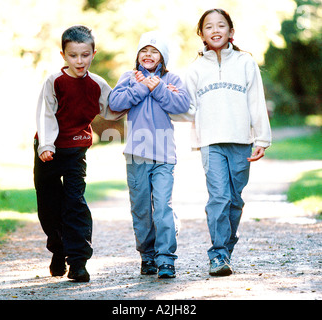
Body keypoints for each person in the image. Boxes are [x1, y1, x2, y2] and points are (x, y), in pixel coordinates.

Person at [34, 25, 125, 282]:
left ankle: (78, 262)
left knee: (75, 202)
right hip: (47, 151)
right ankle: (58, 249)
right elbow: (45, 115)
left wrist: (137, 95)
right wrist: (47, 145)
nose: (80, 61)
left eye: (85, 55)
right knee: (49, 207)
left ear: (93, 53)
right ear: (63, 55)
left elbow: (113, 108)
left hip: (76, 148)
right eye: (73, 55)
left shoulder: (97, 84)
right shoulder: (54, 81)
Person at [184, 9, 272, 276]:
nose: (215, 30)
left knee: (234, 199)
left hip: (241, 140)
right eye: (208, 26)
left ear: (231, 32)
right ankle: (218, 254)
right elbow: (187, 107)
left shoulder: (246, 62)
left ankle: (226, 250)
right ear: (201, 34)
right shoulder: (195, 68)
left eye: (221, 25)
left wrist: (262, 138)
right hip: (211, 142)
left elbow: (256, 101)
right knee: (219, 197)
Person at [109, 31, 190, 278]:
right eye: (144, 50)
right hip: (136, 155)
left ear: (163, 57)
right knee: (141, 208)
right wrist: (141, 87)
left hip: (164, 155)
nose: (148, 54)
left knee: (163, 208)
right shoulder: (129, 77)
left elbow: (181, 105)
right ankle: (147, 256)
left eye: (154, 51)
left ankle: (166, 259)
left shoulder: (172, 78)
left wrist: (159, 89)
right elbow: (115, 102)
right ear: (137, 55)